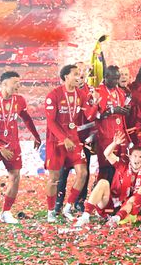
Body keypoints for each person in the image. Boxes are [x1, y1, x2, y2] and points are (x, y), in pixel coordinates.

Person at [0, 71, 42, 226]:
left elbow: (26, 118)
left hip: (12, 144)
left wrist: (36, 135)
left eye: (19, 82)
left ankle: (6, 212)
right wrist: (0, 147)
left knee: (15, 176)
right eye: (15, 82)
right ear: (5, 84)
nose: (19, 85)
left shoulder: (19, 100)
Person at [74, 133, 141, 227]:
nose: (137, 159)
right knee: (103, 182)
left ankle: (115, 219)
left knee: (134, 199)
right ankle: (85, 216)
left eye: (140, 157)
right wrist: (115, 143)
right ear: (130, 157)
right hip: (112, 202)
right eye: (135, 156)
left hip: (128, 208)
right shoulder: (122, 165)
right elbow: (107, 154)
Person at [44, 64, 89, 222]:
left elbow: (89, 115)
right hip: (56, 141)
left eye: (79, 74)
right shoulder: (53, 95)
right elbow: (51, 122)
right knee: (54, 178)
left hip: (73, 139)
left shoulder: (81, 94)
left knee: (82, 173)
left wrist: (96, 102)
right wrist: (64, 138)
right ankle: (51, 211)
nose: (78, 77)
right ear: (66, 77)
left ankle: (68, 207)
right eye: (75, 74)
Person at [93, 65, 132, 187]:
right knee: (105, 167)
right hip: (105, 136)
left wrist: (126, 111)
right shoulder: (98, 92)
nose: (116, 81)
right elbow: (94, 115)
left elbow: (123, 112)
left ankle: (115, 192)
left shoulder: (120, 92)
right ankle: (101, 192)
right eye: (113, 78)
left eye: (117, 78)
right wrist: (112, 111)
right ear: (106, 77)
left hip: (119, 135)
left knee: (118, 166)